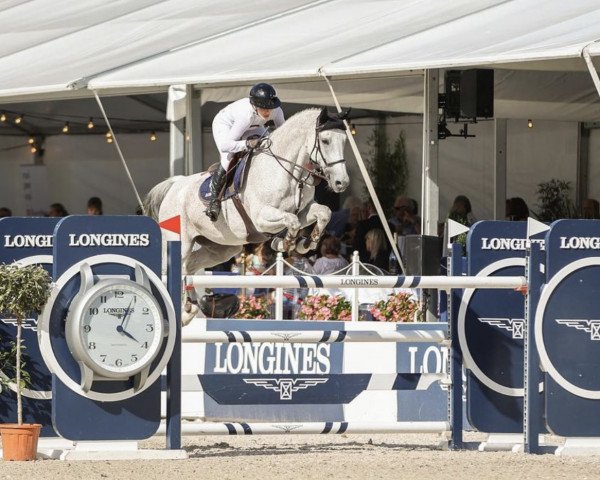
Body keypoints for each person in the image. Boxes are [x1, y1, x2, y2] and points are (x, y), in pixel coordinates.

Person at [206, 83, 285, 222]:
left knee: (268, 143)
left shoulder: (277, 110)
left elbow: (283, 133)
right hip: (226, 125)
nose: (268, 112)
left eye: (270, 108)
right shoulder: (245, 115)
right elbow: (226, 145)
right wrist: (247, 144)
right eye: (264, 109)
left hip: (254, 126)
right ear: (255, 105)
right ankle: (214, 201)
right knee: (228, 158)